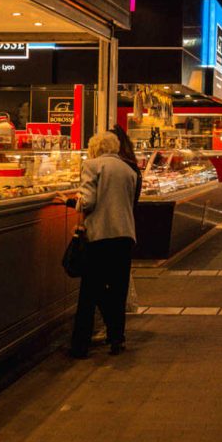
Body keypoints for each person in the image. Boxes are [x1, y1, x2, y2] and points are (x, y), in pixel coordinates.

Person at [67, 131, 138, 358]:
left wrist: (72, 202)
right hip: (125, 234)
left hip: (101, 234)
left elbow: (88, 200)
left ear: (95, 147)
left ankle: (80, 346)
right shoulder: (129, 170)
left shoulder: (92, 165)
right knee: (118, 289)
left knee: (90, 291)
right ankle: (117, 338)